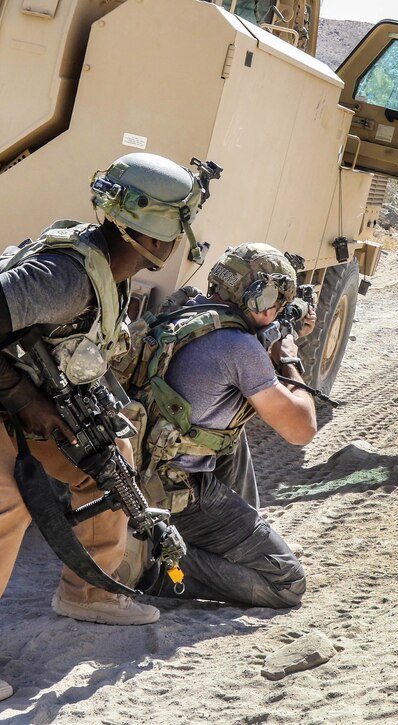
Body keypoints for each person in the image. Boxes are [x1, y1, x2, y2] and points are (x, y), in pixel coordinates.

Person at [0, 152, 209, 708]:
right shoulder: (65, 278)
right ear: (156, 238)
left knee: (109, 455)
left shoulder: (107, 271)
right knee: (0, 508)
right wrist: (26, 401)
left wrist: (97, 415)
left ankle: (90, 591)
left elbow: (73, 351)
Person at [117, 243, 315, 608]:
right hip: (173, 494)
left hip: (135, 474)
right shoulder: (239, 347)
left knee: (230, 434)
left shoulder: (182, 315)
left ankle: (235, 536)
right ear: (263, 300)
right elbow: (301, 429)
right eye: (278, 304)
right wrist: (288, 359)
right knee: (286, 582)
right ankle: (151, 565)